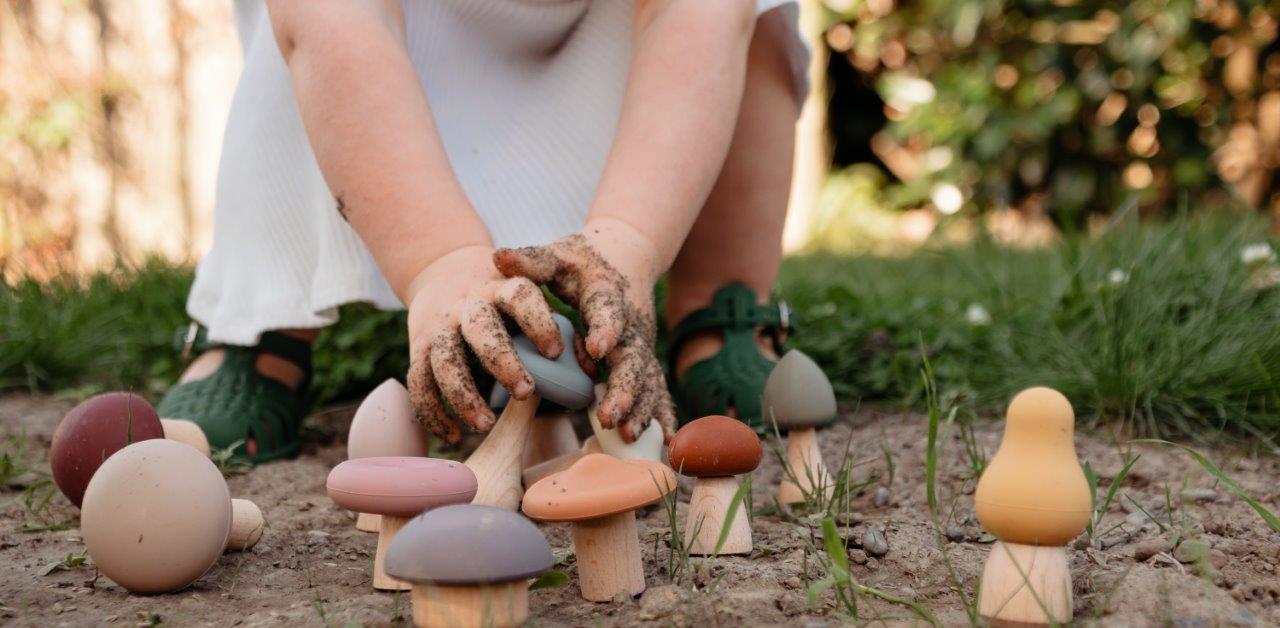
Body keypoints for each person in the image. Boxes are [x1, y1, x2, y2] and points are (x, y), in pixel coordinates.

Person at [159, 0, 808, 462]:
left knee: (749, 18)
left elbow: (692, 18)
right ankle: (263, 323)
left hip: (622, 52)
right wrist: (439, 262)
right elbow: (334, 22)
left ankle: (719, 309)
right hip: (384, 61)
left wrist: (627, 243)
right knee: (304, 34)